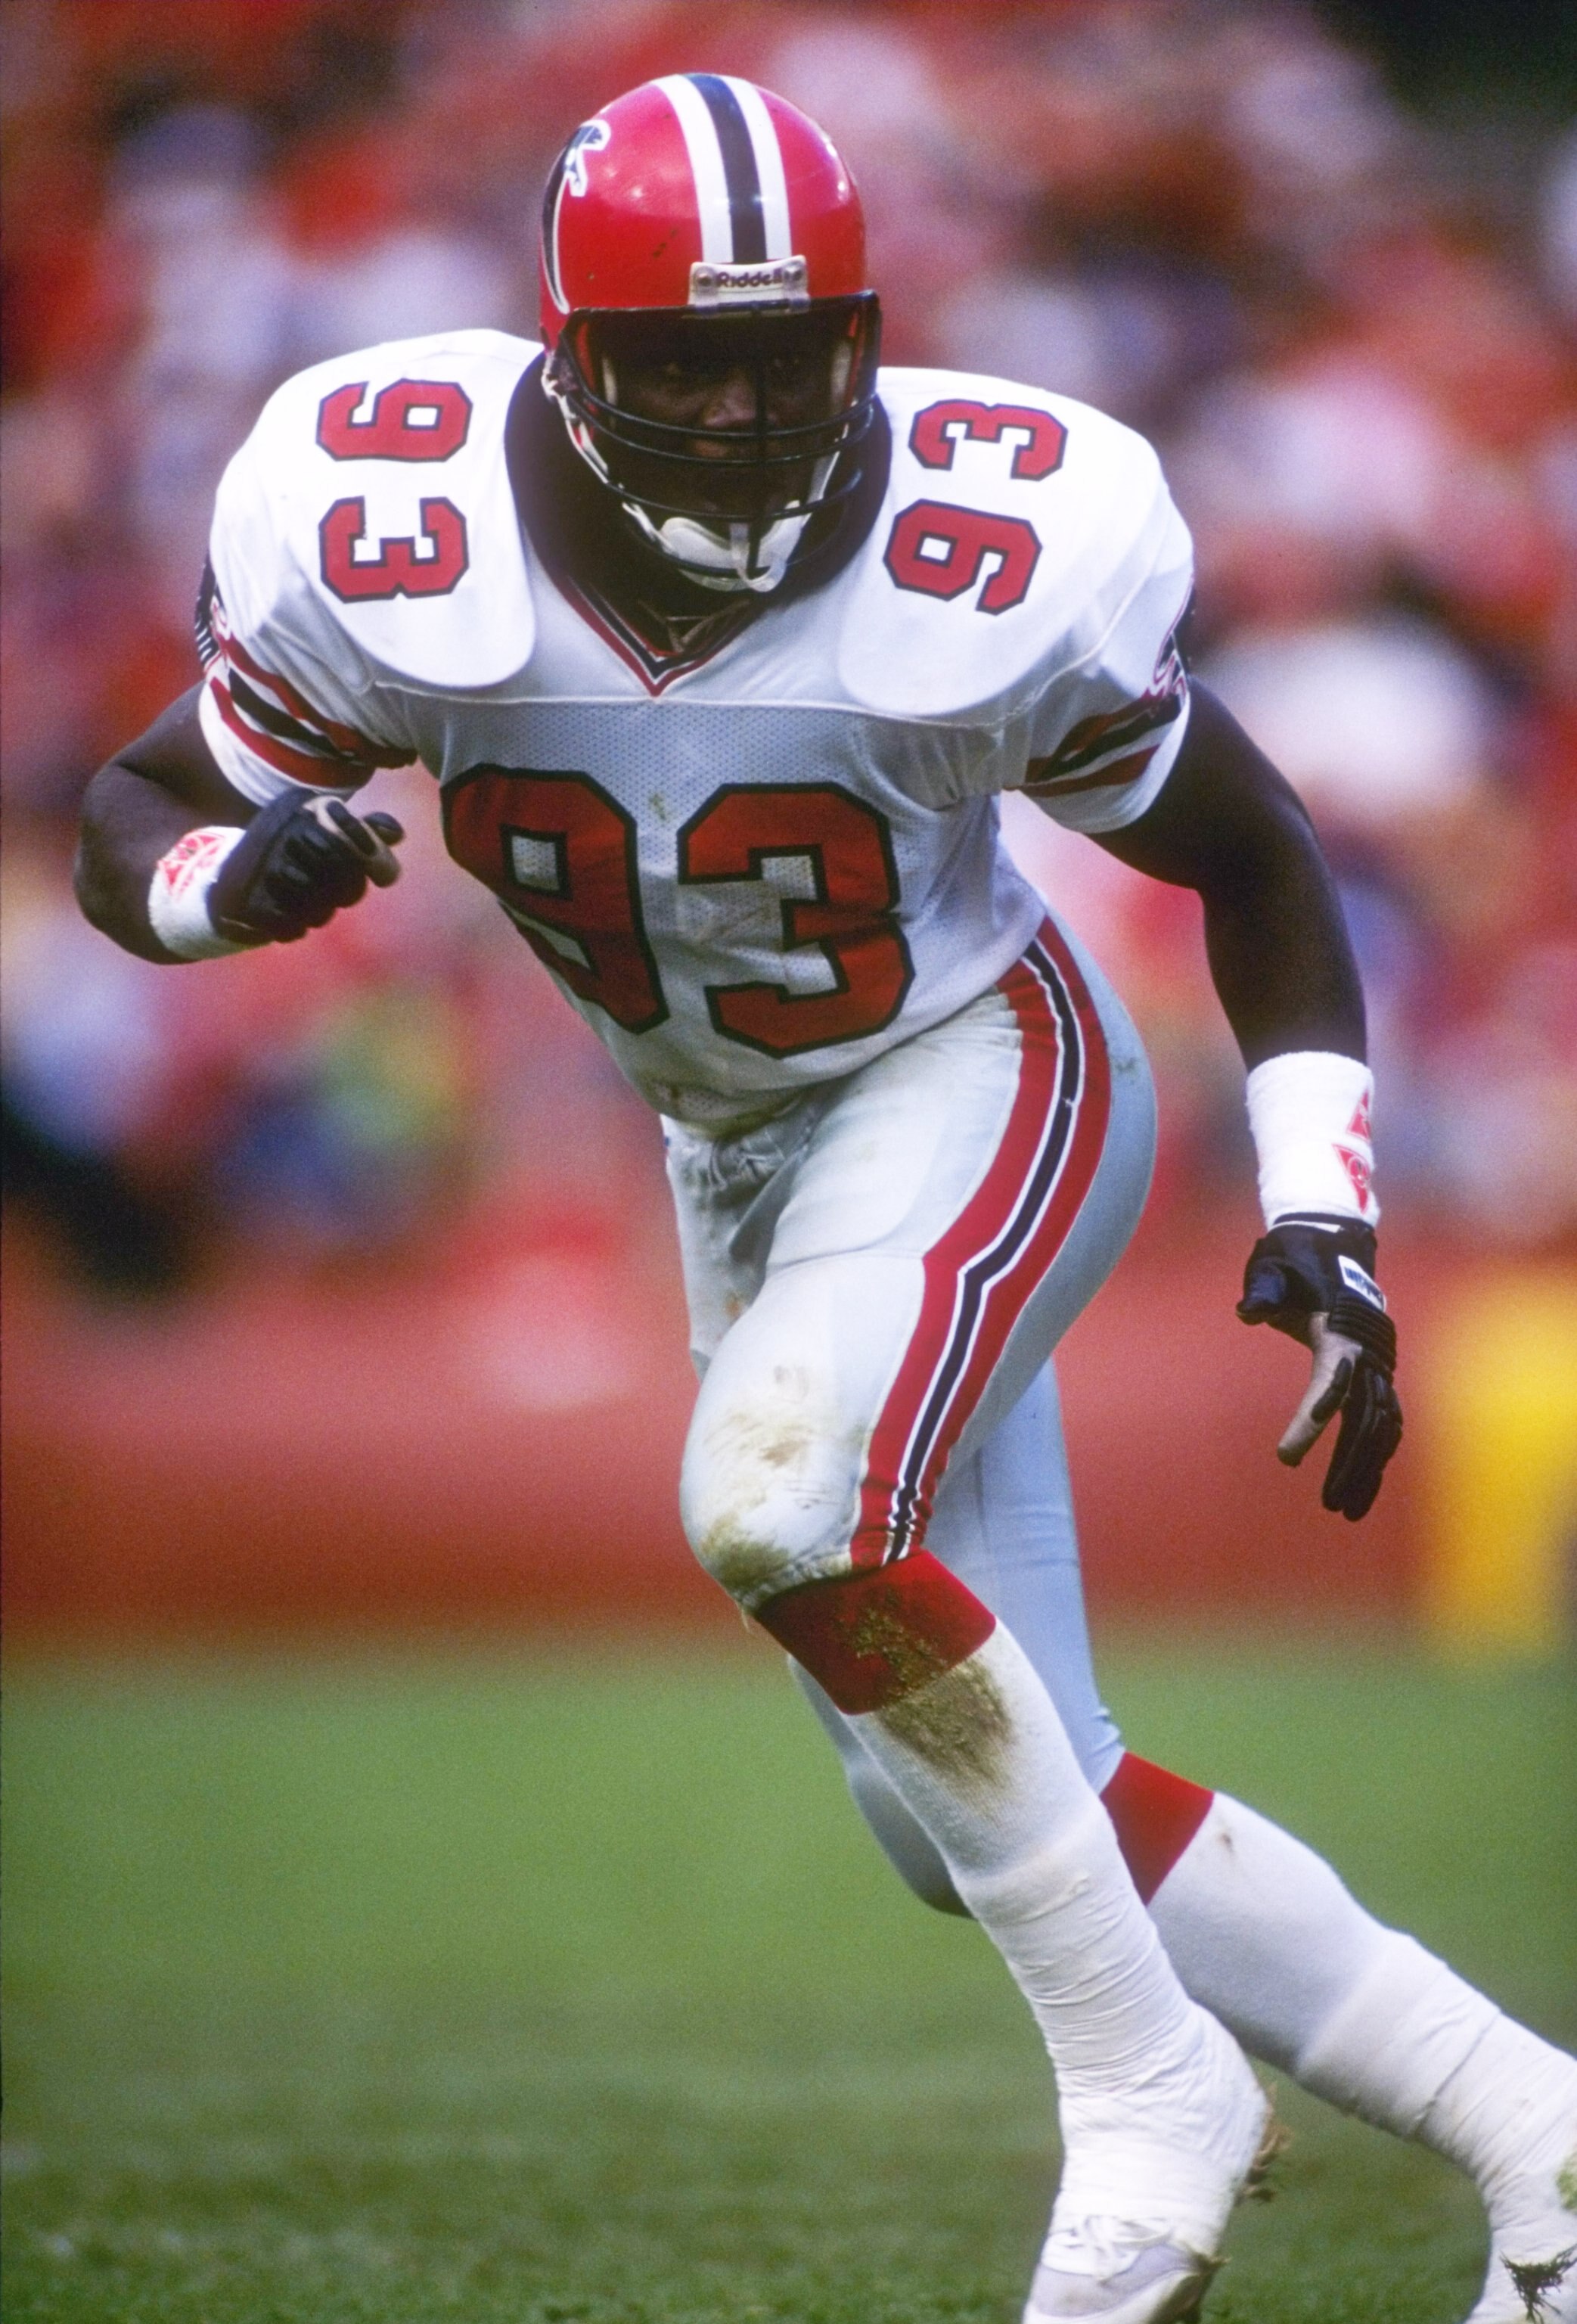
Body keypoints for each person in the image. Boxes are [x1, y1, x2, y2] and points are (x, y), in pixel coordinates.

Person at [75, 74, 1575, 2324]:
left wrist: (1323, 1200)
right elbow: (135, 807)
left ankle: (1150, 2097)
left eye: (785, 352)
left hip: (982, 1068)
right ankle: (1541, 2136)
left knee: (782, 1507)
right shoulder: (389, 525)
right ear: (568, 350)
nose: (738, 406)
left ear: (866, 333)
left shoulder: (997, 554)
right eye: (679, 354)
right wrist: (226, 885)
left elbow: (1249, 856)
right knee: (969, 1804)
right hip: (738, 1142)